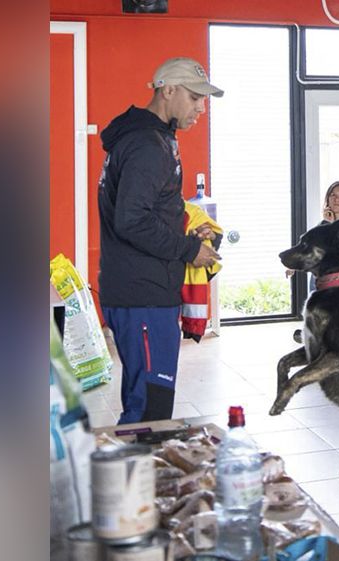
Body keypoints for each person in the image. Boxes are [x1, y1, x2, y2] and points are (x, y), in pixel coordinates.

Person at [97, 57, 222, 424]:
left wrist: (185, 235)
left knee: (150, 404)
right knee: (149, 410)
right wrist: (189, 249)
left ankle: (139, 461)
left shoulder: (152, 138)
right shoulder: (147, 145)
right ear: (167, 90)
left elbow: (146, 212)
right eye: (195, 97)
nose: (201, 108)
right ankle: (137, 464)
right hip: (143, 297)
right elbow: (132, 220)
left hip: (144, 292)